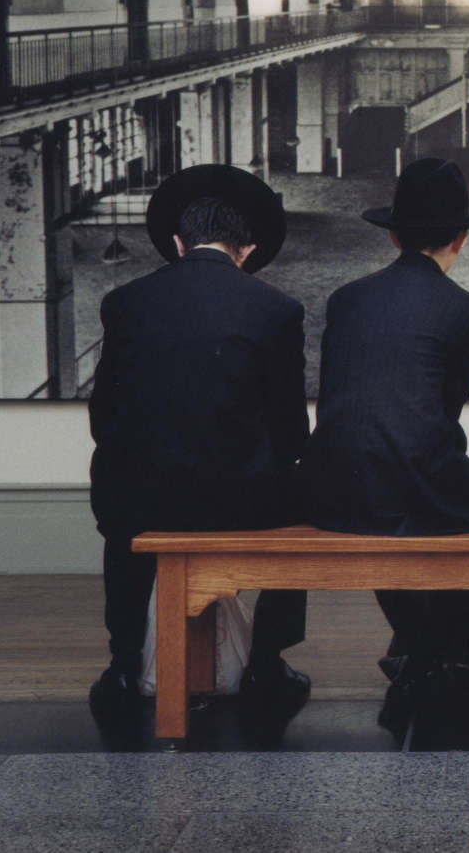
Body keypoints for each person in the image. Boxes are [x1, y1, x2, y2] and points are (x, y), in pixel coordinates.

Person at [87, 164, 311, 735]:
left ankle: (120, 666)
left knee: (126, 509)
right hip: (241, 503)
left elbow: (102, 418)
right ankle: (266, 666)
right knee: (303, 509)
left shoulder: (125, 303)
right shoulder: (277, 310)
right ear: (248, 248)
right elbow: (290, 433)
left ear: (180, 244)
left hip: (142, 500)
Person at [303, 157, 469, 707]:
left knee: (391, 500)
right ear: (462, 239)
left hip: (334, 487)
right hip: (414, 483)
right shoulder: (467, 310)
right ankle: (456, 650)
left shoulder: (346, 300)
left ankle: (418, 642)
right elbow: (440, 418)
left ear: (393, 235)